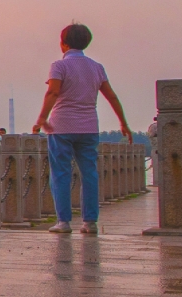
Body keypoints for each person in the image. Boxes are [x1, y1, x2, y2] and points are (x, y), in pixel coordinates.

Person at [30, 23, 130, 235]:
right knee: (89, 173)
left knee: (61, 174)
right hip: (88, 127)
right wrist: (123, 123)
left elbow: (53, 93)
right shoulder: (97, 67)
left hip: (61, 127)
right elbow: (111, 96)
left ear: (63, 43)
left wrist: (41, 119)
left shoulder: (59, 66)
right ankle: (90, 222)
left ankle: (64, 222)